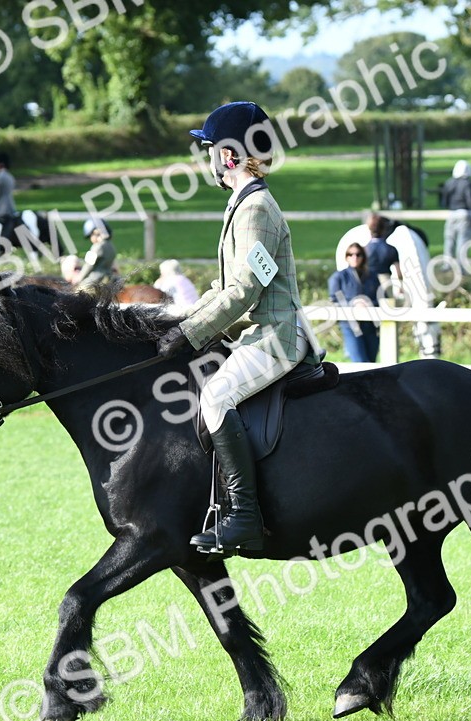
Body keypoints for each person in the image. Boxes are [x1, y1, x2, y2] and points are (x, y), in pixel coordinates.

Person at [155, 100, 312, 556]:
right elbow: (221, 287)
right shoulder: (242, 203)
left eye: (207, 148)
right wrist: (172, 320)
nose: (205, 158)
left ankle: (243, 516)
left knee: (215, 396)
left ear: (227, 155)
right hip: (254, 334)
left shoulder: (256, 209)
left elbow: (245, 290)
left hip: (275, 337)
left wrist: (191, 334)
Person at [328, 243, 380, 363]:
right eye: (350, 254)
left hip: (370, 326)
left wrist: (367, 303)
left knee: (371, 363)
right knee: (360, 362)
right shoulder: (338, 277)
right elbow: (334, 301)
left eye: (358, 254)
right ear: (346, 257)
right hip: (350, 325)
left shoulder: (372, 276)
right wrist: (353, 304)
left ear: (363, 257)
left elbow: (381, 299)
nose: (354, 257)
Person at [440, 159, 471, 266]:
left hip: (452, 214)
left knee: (449, 240)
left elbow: (444, 200)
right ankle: (461, 267)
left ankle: (447, 265)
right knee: (462, 242)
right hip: (465, 215)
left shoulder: (449, 182)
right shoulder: (467, 184)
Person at [73, 218, 116, 289]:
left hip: (96, 280)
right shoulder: (111, 245)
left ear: (95, 232)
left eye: (90, 235)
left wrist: (79, 278)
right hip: (109, 278)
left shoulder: (97, 247)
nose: (90, 239)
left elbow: (88, 265)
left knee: (78, 292)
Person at [363, 212, 399, 290]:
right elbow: (398, 272)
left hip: (368, 281)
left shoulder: (365, 249)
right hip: (386, 281)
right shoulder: (391, 249)